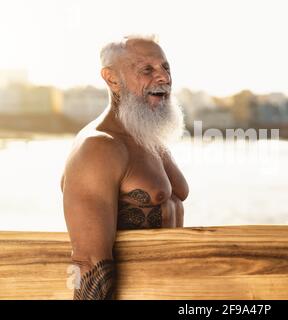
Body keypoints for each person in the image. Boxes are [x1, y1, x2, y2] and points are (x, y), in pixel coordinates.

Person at [60, 35, 189, 300]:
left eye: (166, 68)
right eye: (147, 70)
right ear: (112, 79)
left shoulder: (149, 139)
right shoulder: (99, 148)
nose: (164, 77)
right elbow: (87, 263)